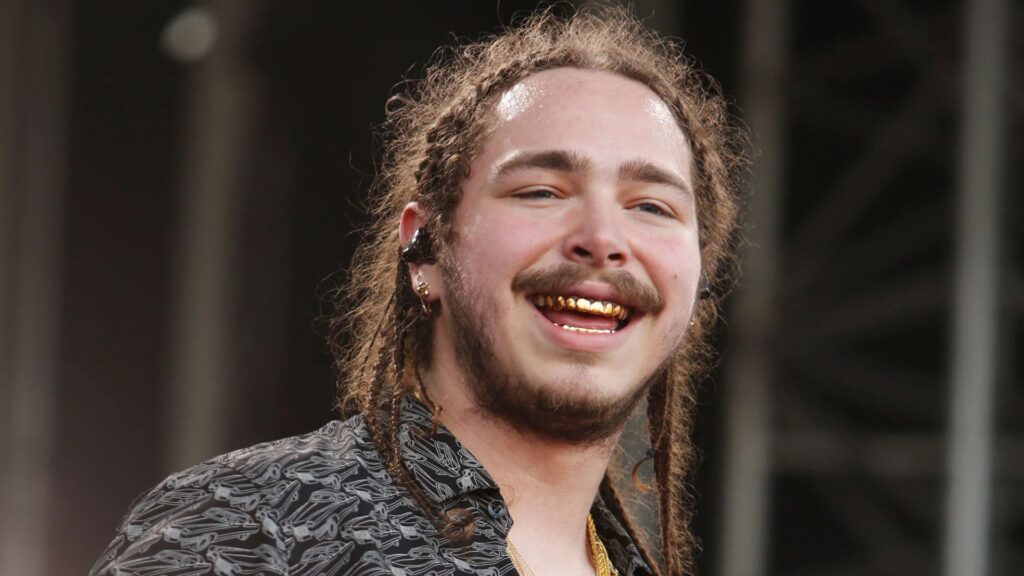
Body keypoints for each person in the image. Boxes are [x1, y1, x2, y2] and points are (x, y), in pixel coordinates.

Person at [91, 6, 744, 576]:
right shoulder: (253, 527)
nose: (601, 239)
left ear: (697, 275)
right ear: (425, 251)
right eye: (541, 192)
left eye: (652, 206)